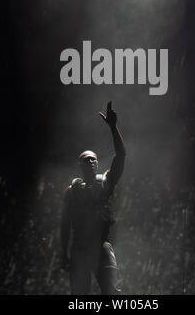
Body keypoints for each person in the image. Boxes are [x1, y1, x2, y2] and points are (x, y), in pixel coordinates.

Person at [61, 101, 126, 295]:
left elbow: (121, 155)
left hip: (101, 244)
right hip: (79, 247)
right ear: (80, 165)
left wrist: (113, 127)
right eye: (85, 159)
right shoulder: (72, 191)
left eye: (93, 158)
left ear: (97, 163)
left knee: (111, 292)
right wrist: (63, 253)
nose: (90, 161)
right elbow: (65, 225)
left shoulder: (106, 182)